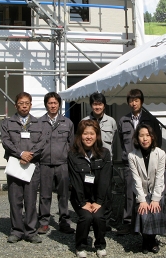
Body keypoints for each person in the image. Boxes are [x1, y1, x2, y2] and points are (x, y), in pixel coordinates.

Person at [1, 92, 44, 244]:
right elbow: (6, 141)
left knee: (31, 200)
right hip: (15, 165)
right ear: (16, 105)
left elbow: (41, 142)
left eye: (27, 103)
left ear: (31, 105)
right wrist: (20, 153)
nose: (24, 105)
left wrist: (29, 155)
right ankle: (17, 231)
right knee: (15, 199)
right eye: (21, 103)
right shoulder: (7, 123)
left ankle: (31, 231)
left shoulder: (39, 123)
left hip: (32, 166)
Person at [117, 89, 162, 235]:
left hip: (147, 162)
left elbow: (157, 140)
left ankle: (146, 222)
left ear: (141, 101)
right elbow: (121, 141)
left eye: (136, 100)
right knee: (129, 193)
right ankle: (129, 222)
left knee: (147, 192)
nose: (133, 103)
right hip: (129, 161)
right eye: (131, 100)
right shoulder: (123, 120)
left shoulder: (150, 119)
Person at [68, 119, 112, 258]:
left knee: (99, 217)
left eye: (92, 133)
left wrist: (98, 201)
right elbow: (75, 181)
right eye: (85, 133)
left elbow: (105, 180)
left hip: (100, 197)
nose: (88, 137)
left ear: (97, 135)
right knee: (86, 217)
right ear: (80, 135)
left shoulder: (104, 153)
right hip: (80, 197)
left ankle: (100, 244)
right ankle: (80, 246)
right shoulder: (73, 155)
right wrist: (82, 203)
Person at [128, 123, 166, 254]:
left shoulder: (160, 153)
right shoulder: (132, 155)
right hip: (142, 191)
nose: (145, 139)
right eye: (141, 135)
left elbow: (159, 177)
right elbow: (136, 179)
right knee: (144, 213)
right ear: (137, 138)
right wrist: (142, 200)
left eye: (147, 135)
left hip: (156, 190)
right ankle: (146, 241)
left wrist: (156, 198)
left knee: (155, 211)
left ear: (152, 137)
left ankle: (152, 241)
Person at [38, 92, 75, 234]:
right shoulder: (39, 123)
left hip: (62, 164)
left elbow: (71, 145)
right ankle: (44, 222)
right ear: (46, 104)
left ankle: (64, 222)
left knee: (64, 194)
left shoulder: (67, 123)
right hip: (44, 163)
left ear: (59, 105)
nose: (53, 105)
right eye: (50, 103)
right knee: (44, 195)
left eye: (55, 103)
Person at [82, 92, 117, 230]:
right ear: (91, 105)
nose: (97, 107)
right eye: (95, 104)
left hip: (106, 164)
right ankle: (90, 220)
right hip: (89, 163)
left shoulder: (111, 121)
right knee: (89, 191)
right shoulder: (84, 121)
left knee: (106, 192)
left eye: (100, 104)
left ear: (104, 105)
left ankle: (105, 221)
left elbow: (114, 141)